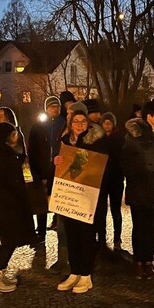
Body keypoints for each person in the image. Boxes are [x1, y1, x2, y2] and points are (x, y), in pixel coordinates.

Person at [53, 109, 108, 294]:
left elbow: (102, 166)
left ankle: (86, 275)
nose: (79, 124)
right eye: (75, 121)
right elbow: (56, 166)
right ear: (70, 123)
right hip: (69, 196)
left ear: (88, 123)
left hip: (88, 196)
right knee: (71, 235)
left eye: (83, 121)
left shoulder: (96, 141)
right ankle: (74, 271)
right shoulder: (65, 141)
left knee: (86, 236)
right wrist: (56, 161)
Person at [120, 101, 154, 279]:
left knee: (152, 229)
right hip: (140, 189)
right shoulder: (134, 135)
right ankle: (138, 262)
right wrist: (141, 170)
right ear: (149, 116)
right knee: (140, 227)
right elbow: (125, 162)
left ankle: (148, 262)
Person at [0, 122, 37, 293]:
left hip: (8, 202)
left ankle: (0, 272)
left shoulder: (2, 152)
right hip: (9, 204)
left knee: (10, 238)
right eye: (13, 132)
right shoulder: (2, 155)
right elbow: (4, 178)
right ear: (6, 136)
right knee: (9, 239)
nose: (16, 135)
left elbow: (16, 162)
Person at [27, 97, 65, 245]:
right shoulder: (38, 126)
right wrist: (35, 172)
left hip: (59, 170)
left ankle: (61, 233)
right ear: (46, 108)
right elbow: (33, 151)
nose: (55, 109)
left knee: (59, 203)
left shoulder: (64, 124)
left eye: (57, 106)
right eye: (52, 106)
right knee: (41, 204)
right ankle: (40, 233)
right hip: (42, 171)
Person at [99, 112, 125, 250]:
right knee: (101, 210)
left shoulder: (120, 139)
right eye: (105, 121)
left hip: (116, 179)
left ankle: (117, 238)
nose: (107, 123)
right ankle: (102, 239)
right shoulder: (98, 139)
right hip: (102, 179)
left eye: (110, 121)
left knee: (116, 210)